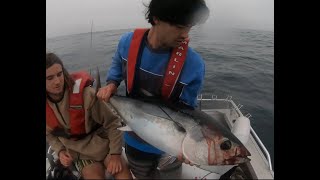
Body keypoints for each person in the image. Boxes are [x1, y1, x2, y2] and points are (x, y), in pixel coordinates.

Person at [97, 0, 210, 178]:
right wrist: (112, 83)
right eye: (179, 27)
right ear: (156, 18)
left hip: (173, 147)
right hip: (135, 140)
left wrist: (191, 147)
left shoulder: (194, 65)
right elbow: (118, 63)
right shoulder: (127, 42)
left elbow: (189, 111)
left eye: (189, 27)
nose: (185, 35)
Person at [46, 52, 132, 179]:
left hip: (105, 146)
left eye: (59, 74)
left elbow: (113, 123)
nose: (57, 81)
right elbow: (50, 134)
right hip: (80, 153)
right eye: (50, 78)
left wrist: (115, 155)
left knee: (123, 174)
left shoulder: (87, 94)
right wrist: (60, 151)